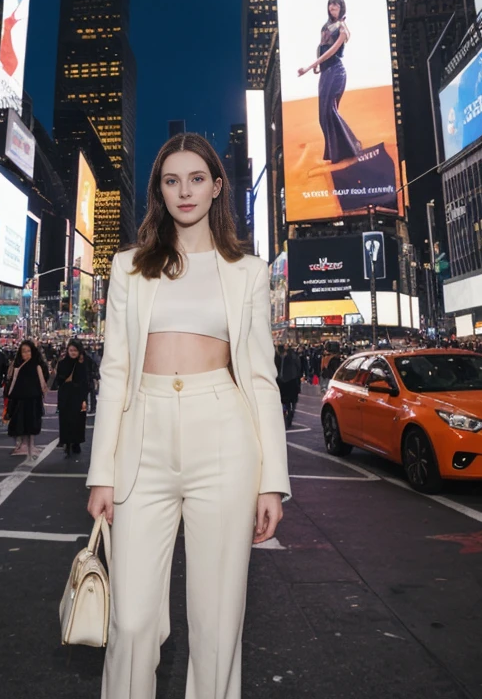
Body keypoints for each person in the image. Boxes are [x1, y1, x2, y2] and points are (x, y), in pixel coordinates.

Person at [87, 133, 290, 699]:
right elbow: (115, 373)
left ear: (217, 186)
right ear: (159, 190)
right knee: (130, 622)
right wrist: (100, 471)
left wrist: (271, 482)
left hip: (223, 435)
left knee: (218, 625)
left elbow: (259, 377)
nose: (185, 191)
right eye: (172, 180)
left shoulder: (247, 271)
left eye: (196, 178)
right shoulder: (128, 268)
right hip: (142, 438)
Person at [298, 0, 361, 165]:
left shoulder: (342, 27)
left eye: (336, 5)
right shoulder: (326, 26)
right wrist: (319, 66)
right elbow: (322, 47)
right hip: (326, 73)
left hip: (336, 72)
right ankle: (339, 150)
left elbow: (332, 51)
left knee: (329, 111)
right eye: (330, 4)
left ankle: (351, 147)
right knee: (323, 115)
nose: (332, 7)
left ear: (341, 8)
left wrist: (310, 66)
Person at [6, 340, 48, 459]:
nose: (26, 354)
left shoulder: (37, 365)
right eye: (23, 352)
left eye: (28, 351)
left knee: (30, 424)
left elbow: (43, 382)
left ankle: (29, 446)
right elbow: (12, 380)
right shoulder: (17, 365)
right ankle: (22, 445)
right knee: (19, 423)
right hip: (19, 398)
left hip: (33, 399)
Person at [55, 338, 90, 458]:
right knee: (65, 420)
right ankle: (67, 443)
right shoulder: (62, 363)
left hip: (78, 396)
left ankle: (76, 443)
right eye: (71, 350)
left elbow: (87, 381)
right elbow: (58, 381)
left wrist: (84, 397)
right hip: (65, 396)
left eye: (75, 350)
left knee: (78, 420)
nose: (73, 353)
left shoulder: (84, 363)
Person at [277, 347, 301, 429]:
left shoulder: (281, 358)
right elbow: (299, 369)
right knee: (291, 401)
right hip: (292, 382)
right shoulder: (293, 357)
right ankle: (289, 414)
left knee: (285, 401)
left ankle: (287, 414)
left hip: (285, 382)